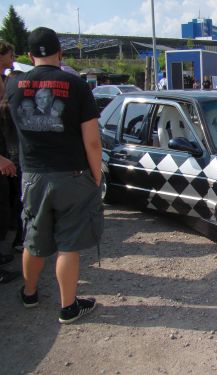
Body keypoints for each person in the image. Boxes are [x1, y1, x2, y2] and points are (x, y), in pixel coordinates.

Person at [6, 27, 103, 323]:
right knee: (68, 244)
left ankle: (30, 293)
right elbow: (93, 141)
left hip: (33, 173)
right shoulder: (76, 85)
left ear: (30, 55)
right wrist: (96, 175)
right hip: (73, 175)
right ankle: (68, 306)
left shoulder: (13, 85)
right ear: (60, 53)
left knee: (34, 237)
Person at [0, 39, 20, 283]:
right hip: (3, 155)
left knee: (8, 205)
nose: (13, 57)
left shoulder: (5, 79)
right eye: (11, 53)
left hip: (7, 151)